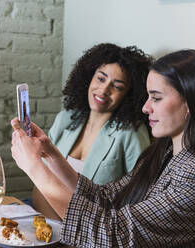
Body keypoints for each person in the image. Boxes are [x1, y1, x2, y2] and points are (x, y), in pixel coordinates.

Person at [11, 49, 195, 247]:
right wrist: (49, 154)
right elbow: (108, 197)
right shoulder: (163, 154)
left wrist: (35, 169)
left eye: (156, 98)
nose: (145, 108)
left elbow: (115, 236)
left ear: (191, 102)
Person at [31, 43, 153, 220]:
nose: (103, 90)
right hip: (38, 219)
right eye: (101, 79)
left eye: (117, 86)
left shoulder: (131, 133)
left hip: (82, 234)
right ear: (89, 77)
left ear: (128, 94)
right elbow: (42, 171)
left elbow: (140, 194)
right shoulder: (67, 118)